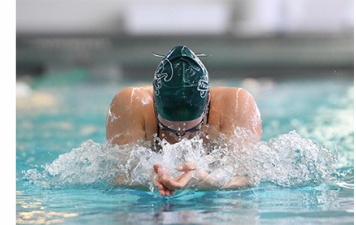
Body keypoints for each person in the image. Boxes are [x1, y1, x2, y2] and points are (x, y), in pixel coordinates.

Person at [106, 45, 262, 196]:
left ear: (208, 101)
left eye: (192, 130)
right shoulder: (131, 104)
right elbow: (119, 177)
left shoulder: (235, 105)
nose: (180, 138)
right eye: (168, 129)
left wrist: (205, 180)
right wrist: (146, 180)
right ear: (154, 104)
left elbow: (247, 177)